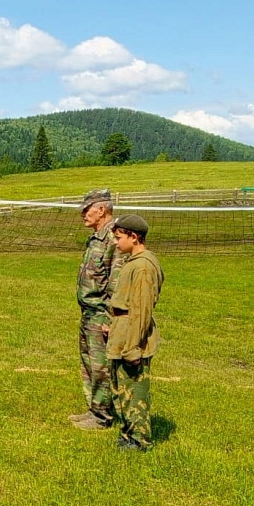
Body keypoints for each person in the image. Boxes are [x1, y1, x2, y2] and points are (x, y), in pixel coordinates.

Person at [107, 214, 164, 452]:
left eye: (119, 237)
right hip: (123, 331)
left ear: (134, 237)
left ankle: (140, 440)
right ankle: (128, 433)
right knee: (123, 390)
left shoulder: (142, 267)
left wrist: (133, 346)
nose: (115, 242)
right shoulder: (134, 261)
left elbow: (141, 310)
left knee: (135, 391)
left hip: (133, 337)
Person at [71, 189, 124, 431]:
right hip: (88, 312)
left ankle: (103, 417)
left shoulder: (113, 239)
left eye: (87, 208)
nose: (83, 213)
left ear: (101, 210)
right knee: (89, 363)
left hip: (101, 313)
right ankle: (95, 409)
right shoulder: (95, 238)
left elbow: (116, 282)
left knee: (101, 366)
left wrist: (110, 319)